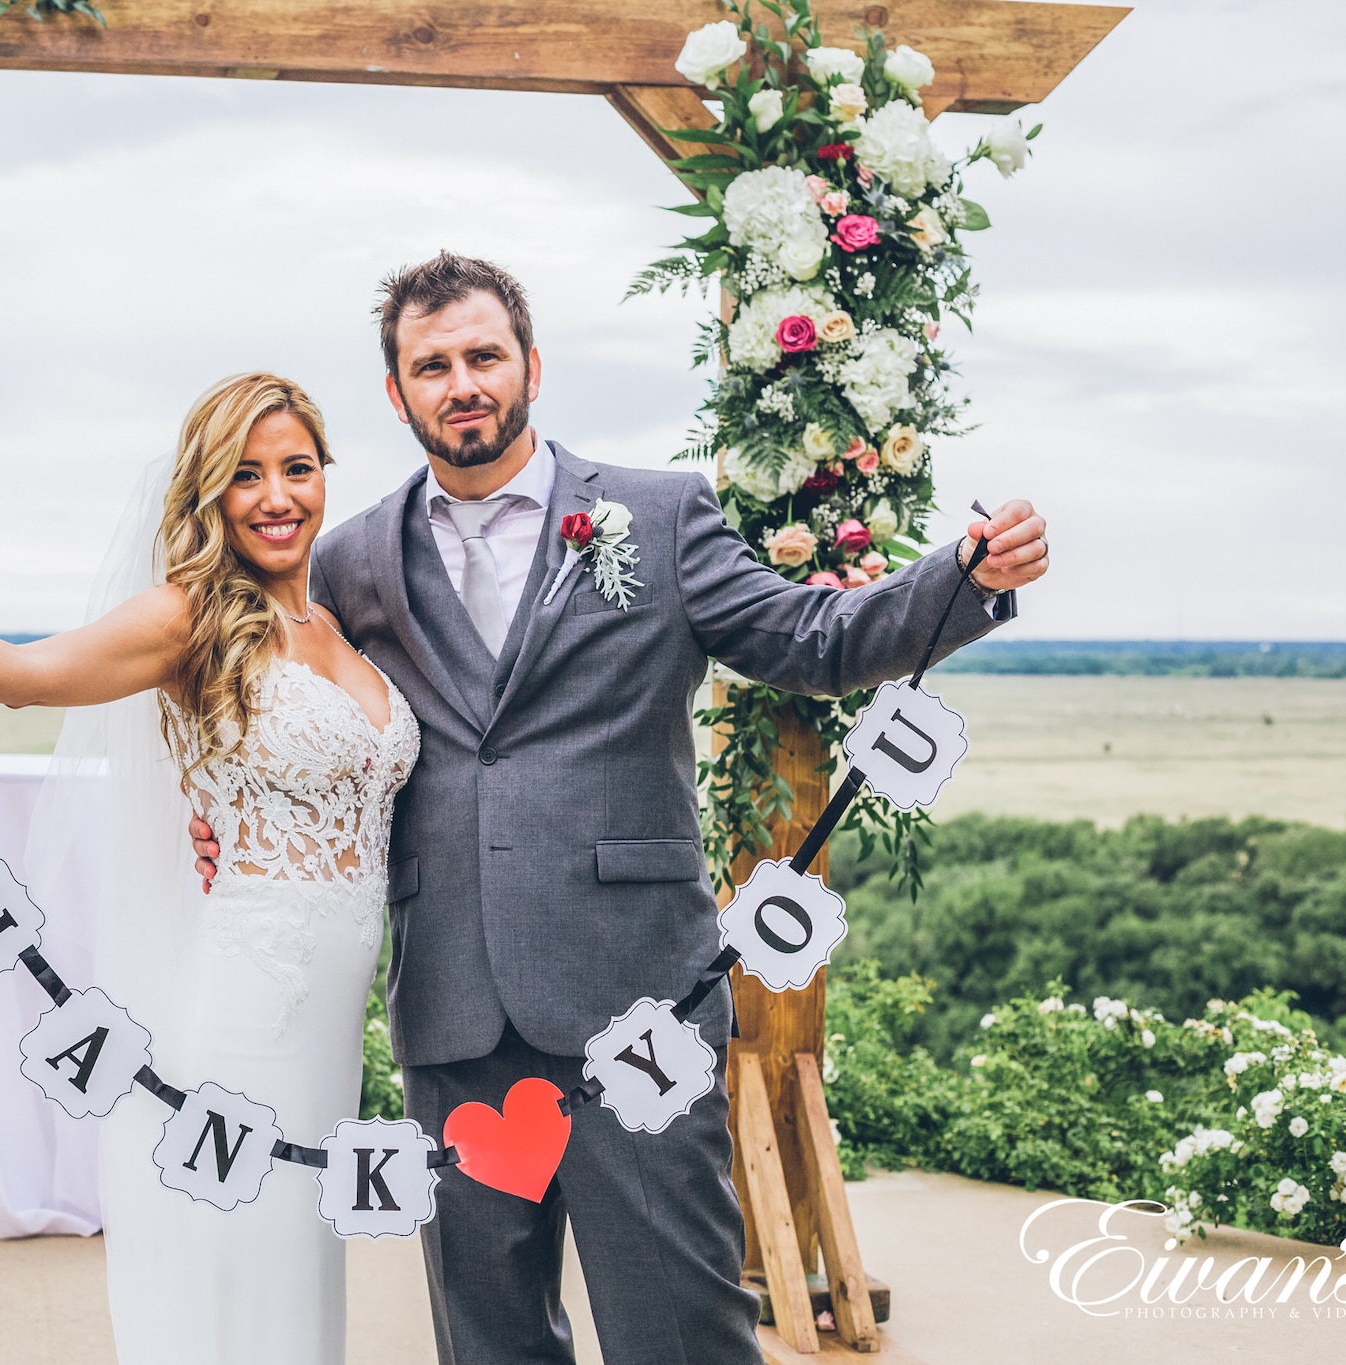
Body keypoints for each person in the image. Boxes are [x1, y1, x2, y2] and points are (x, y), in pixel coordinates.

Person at [189, 253, 1050, 1365]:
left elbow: (812, 642)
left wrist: (967, 579)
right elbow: (275, 688)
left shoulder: (655, 514)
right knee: (488, 1339)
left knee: (678, 1329)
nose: (462, 383)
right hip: (452, 1007)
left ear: (530, 366)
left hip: (636, 996)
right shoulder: (350, 558)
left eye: (482, 356)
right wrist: (213, 801)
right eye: (431, 365)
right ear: (397, 395)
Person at [0, 372, 421, 1365]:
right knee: (241, 1250)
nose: (277, 496)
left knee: (299, 1248)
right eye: (245, 476)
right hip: (252, 998)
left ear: (325, 474)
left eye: (296, 468)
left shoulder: (333, 627)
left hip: (332, 1011)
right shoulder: (187, 616)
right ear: (209, 493)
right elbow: (29, 679)